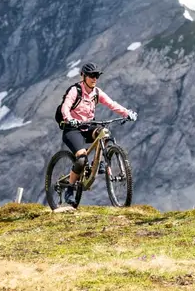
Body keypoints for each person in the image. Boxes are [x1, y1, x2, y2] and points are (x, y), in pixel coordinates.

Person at [58, 62, 137, 206]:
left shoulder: (97, 92)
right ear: (83, 76)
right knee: (81, 159)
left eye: (97, 76)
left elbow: (112, 104)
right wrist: (69, 119)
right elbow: (65, 107)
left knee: (104, 133)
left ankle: (98, 163)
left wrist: (127, 113)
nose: (95, 78)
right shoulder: (75, 90)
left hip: (88, 127)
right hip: (72, 129)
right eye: (92, 76)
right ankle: (69, 189)